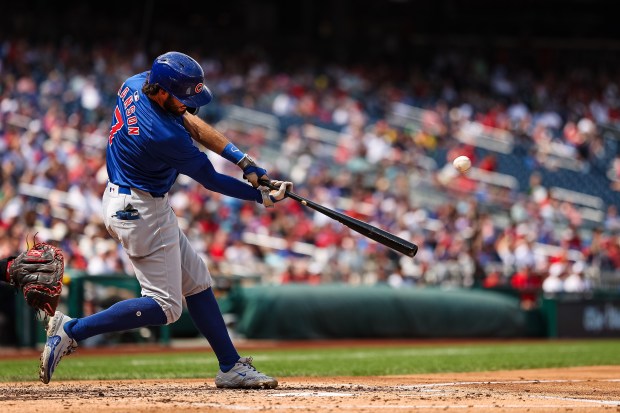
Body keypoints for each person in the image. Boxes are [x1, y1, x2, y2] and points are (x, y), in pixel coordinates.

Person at [39, 51, 292, 388]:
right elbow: (210, 179)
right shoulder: (163, 135)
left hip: (132, 199)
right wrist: (261, 195)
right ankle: (71, 330)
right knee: (166, 307)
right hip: (139, 210)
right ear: (160, 91)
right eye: (182, 97)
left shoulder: (136, 83)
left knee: (198, 282)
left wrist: (244, 161)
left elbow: (189, 120)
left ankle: (230, 366)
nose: (190, 104)